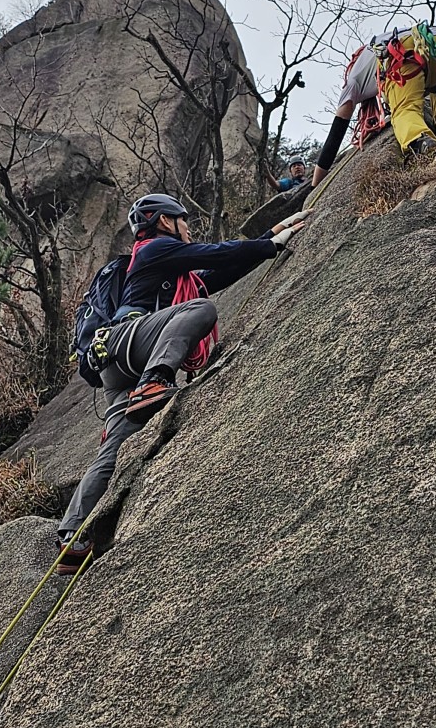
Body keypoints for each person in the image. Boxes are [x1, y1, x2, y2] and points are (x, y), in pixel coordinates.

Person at [56, 193, 305, 572]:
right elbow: (215, 254)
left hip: (117, 363)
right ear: (164, 221)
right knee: (201, 309)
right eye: (183, 219)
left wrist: (272, 235)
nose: (188, 227)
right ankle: (157, 380)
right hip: (131, 342)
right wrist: (270, 245)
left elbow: (218, 272)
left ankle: (72, 538)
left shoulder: (169, 267)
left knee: (117, 445)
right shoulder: (155, 248)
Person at [311, 25, 436, 187]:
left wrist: (315, 186)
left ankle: (422, 142)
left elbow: (336, 134)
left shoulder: (353, 79)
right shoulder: (382, 37)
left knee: (404, 109)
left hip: (400, 53)